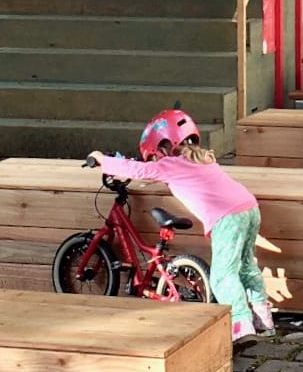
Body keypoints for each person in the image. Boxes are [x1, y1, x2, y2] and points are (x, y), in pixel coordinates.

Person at [89, 110, 272, 341]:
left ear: (163, 146)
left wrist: (103, 161)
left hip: (227, 218)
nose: (155, 161)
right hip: (249, 207)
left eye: (154, 155)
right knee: (246, 266)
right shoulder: (199, 158)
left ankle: (240, 324)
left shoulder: (170, 165)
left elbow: (140, 171)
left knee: (223, 275)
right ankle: (263, 317)